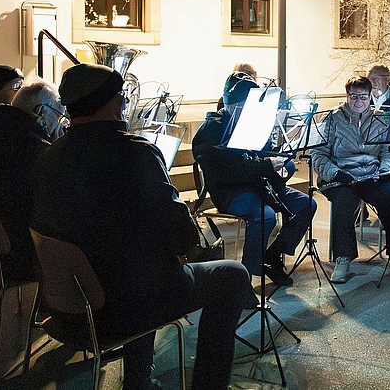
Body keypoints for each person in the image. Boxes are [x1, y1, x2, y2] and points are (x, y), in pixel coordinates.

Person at [31, 63, 254, 389]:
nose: (124, 103)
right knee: (232, 275)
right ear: (111, 102)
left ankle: (138, 380)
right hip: (119, 309)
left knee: (136, 264)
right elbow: (181, 239)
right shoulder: (137, 153)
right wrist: (184, 217)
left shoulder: (47, 156)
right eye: (122, 97)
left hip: (66, 306)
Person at [192, 71, 315, 286]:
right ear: (231, 105)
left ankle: (272, 256)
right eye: (242, 106)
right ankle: (244, 279)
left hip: (261, 185)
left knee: (306, 205)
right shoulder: (211, 129)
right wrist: (267, 165)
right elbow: (230, 171)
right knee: (265, 215)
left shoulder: (253, 121)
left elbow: (265, 153)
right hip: (231, 191)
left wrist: (281, 160)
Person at [310, 76, 390, 284]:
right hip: (342, 175)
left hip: (371, 175)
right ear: (347, 96)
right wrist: (337, 173)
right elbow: (318, 155)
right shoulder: (331, 118)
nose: (359, 102)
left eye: (363, 97)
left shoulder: (379, 118)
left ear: (370, 96)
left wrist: (383, 171)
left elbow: (387, 152)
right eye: (354, 96)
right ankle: (343, 258)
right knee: (344, 201)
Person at [0, 79, 66, 282]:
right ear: (41, 112)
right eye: (59, 117)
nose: (58, 124)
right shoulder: (29, 146)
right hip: (15, 257)